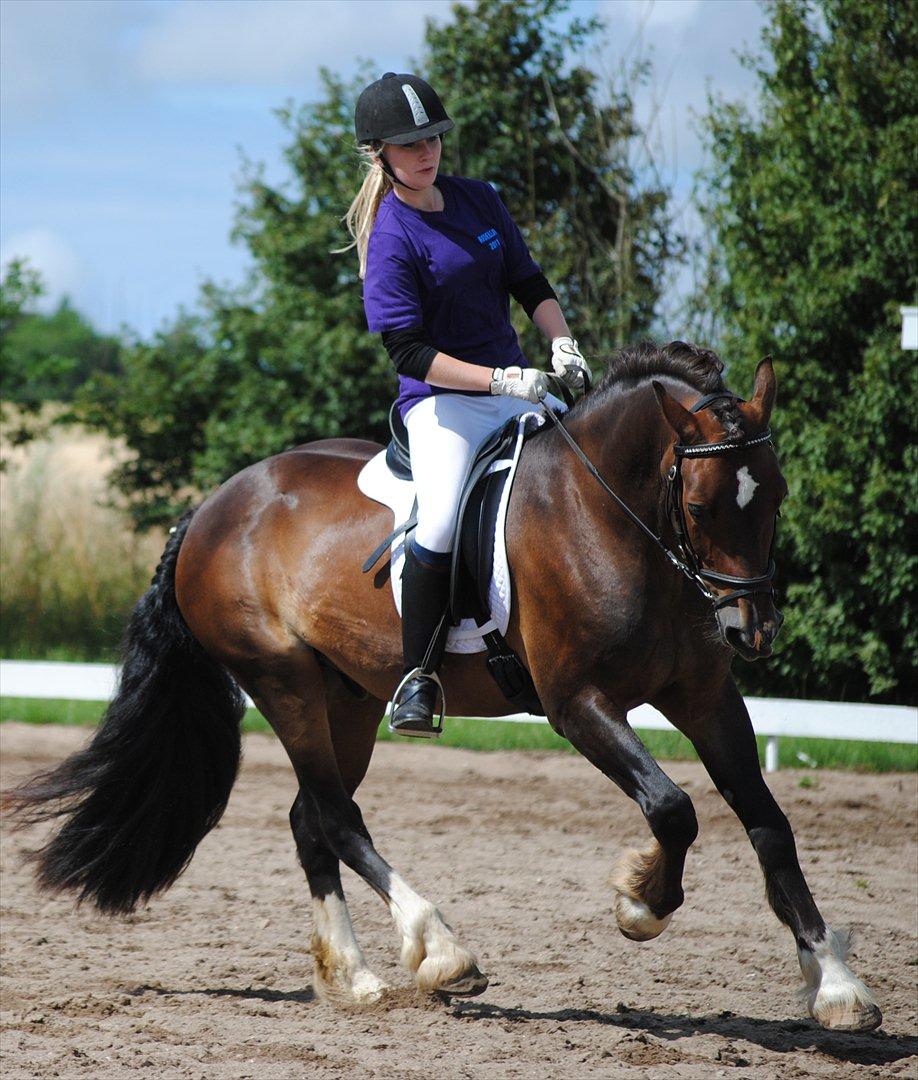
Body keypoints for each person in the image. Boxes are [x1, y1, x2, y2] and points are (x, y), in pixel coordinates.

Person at [340, 72, 589, 737]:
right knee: (442, 521)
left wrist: (561, 343)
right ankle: (418, 678)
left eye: (434, 140)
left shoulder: (480, 201)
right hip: (443, 405)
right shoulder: (392, 236)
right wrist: (501, 380)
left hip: (518, 388)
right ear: (379, 154)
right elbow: (408, 354)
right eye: (410, 145)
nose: (427, 154)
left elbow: (526, 279)